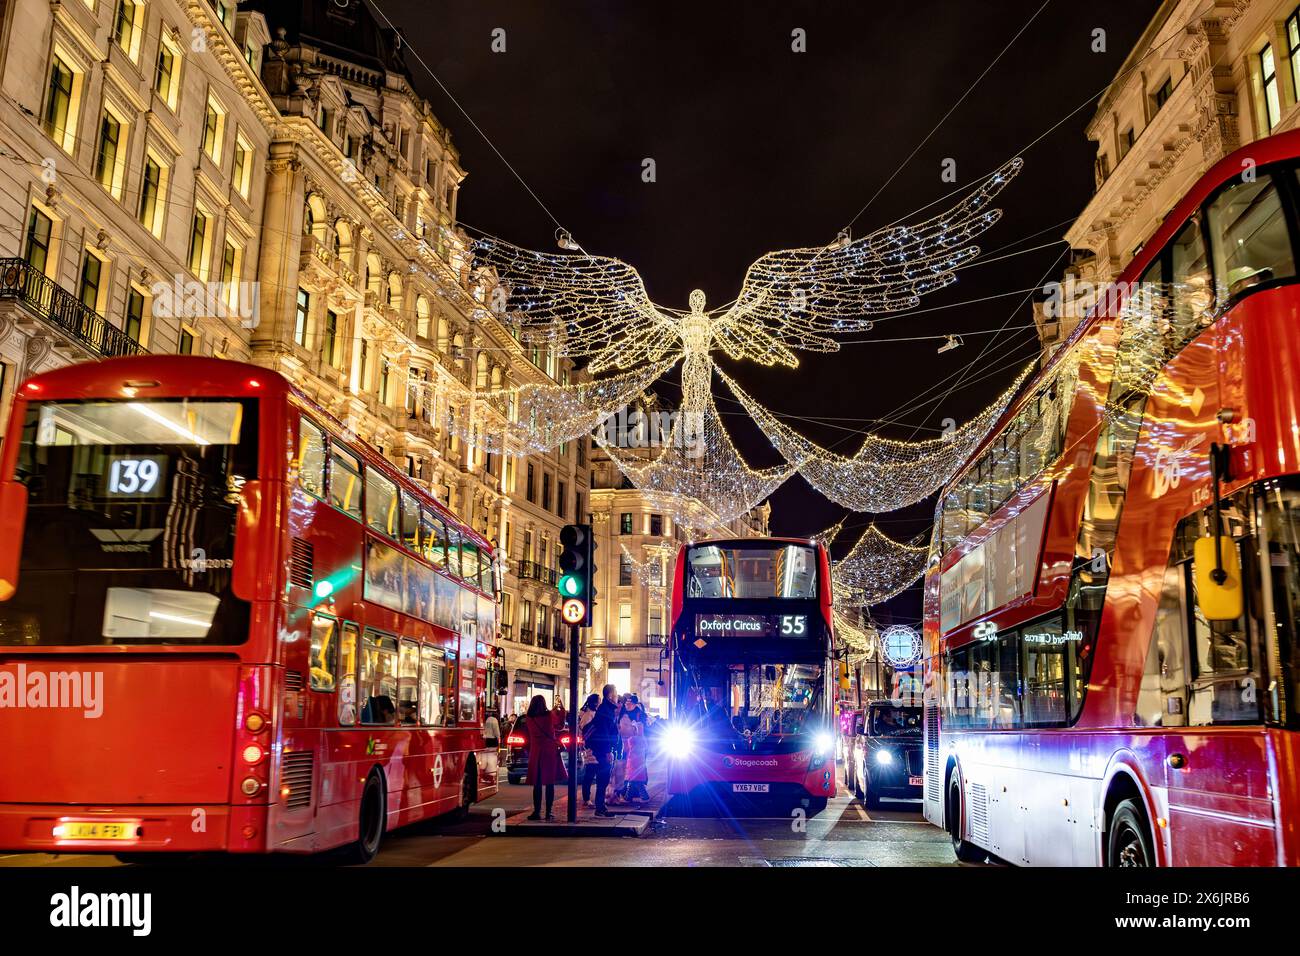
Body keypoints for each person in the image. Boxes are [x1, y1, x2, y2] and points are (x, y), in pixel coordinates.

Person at [524, 695, 565, 821]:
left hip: (536, 752)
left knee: (537, 784)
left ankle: (536, 812)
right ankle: (548, 812)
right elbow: (560, 725)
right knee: (549, 783)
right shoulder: (549, 716)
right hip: (549, 752)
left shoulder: (529, 718)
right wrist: (561, 708)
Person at [584, 684, 620, 817]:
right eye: (615, 692)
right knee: (603, 778)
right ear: (610, 695)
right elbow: (604, 732)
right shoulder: (605, 710)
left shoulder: (606, 709)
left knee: (603, 778)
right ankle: (600, 808)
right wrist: (608, 751)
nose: (617, 695)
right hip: (602, 750)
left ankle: (601, 807)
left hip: (600, 748)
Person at [620, 695, 649, 803]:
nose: (627, 705)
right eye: (626, 704)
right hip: (629, 746)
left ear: (634, 704)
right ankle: (630, 794)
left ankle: (633, 794)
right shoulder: (625, 713)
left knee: (634, 770)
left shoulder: (639, 715)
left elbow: (640, 731)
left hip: (636, 746)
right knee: (631, 771)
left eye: (629, 704)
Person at [577, 693, 601, 807]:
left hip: (595, 746)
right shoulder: (588, 715)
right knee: (590, 772)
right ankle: (586, 798)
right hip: (590, 747)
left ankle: (590, 798)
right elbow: (584, 731)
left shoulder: (595, 713)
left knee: (593, 771)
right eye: (599, 700)